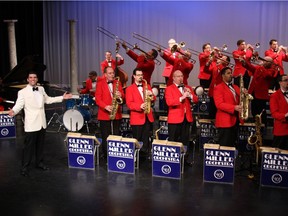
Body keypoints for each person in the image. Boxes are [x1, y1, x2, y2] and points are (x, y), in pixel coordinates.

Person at [8, 70, 72, 177]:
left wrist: (62, 97)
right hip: (31, 124)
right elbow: (19, 105)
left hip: (42, 123)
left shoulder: (41, 89)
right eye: (31, 77)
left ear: (37, 79)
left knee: (40, 146)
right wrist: (13, 111)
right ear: (28, 79)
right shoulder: (22, 92)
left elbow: (48, 100)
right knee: (28, 147)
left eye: (35, 77)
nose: (33, 79)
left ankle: (39, 163)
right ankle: (24, 167)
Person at [165, 70, 198, 166]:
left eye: (182, 76)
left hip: (186, 118)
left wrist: (190, 95)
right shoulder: (169, 89)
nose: (180, 78)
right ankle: (172, 160)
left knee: (185, 140)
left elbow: (196, 100)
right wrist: (182, 97)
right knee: (173, 139)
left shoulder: (187, 87)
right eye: (178, 76)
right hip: (175, 119)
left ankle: (185, 159)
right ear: (173, 78)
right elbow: (169, 102)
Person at [95, 66, 124, 159]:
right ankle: (106, 155)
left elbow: (123, 95)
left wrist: (120, 95)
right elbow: (98, 99)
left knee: (116, 133)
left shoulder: (118, 83)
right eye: (110, 73)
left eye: (113, 73)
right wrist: (105, 106)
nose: (112, 75)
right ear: (105, 74)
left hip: (116, 113)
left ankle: (115, 154)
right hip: (104, 113)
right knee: (105, 135)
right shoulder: (100, 83)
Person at [125, 68, 156, 157]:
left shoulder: (147, 86)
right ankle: (136, 157)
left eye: (141, 75)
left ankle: (144, 156)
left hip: (147, 116)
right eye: (138, 75)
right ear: (134, 76)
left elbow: (153, 99)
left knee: (146, 138)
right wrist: (140, 106)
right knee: (137, 139)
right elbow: (129, 104)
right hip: (137, 118)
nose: (140, 77)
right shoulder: (129, 89)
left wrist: (151, 96)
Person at [241, 56, 278, 126]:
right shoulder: (259, 68)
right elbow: (251, 68)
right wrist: (244, 62)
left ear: (270, 63)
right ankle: (256, 127)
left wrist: (261, 66)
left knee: (261, 113)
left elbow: (267, 75)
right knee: (254, 111)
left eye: (265, 61)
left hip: (261, 95)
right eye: (264, 60)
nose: (263, 62)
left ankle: (263, 127)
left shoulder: (272, 70)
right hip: (253, 93)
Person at [214, 67, 242, 147]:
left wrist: (245, 95)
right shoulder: (218, 88)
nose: (231, 75)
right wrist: (234, 107)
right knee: (224, 145)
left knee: (232, 145)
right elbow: (219, 104)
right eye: (228, 73)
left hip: (235, 120)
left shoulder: (235, 87)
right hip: (225, 121)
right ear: (223, 76)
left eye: (231, 73)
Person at [205, 55, 231, 119]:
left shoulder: (227, 69)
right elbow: (207, 70)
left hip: (221, 89)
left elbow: (222, 70)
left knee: (219, 106)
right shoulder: (216, 66)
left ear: (227, 62)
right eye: (221, 57)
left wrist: (218, 63)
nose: (221, 58)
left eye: (223, 58)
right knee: (212, 105)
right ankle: (211, 119)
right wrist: (208, 63)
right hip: (213, 88)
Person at [269, 74, 288, 150]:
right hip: (281, 130)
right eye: (286, 80)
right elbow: (274, 113)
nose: (287, 82)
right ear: (280, 82)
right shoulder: (275, 96)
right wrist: (285, 115)